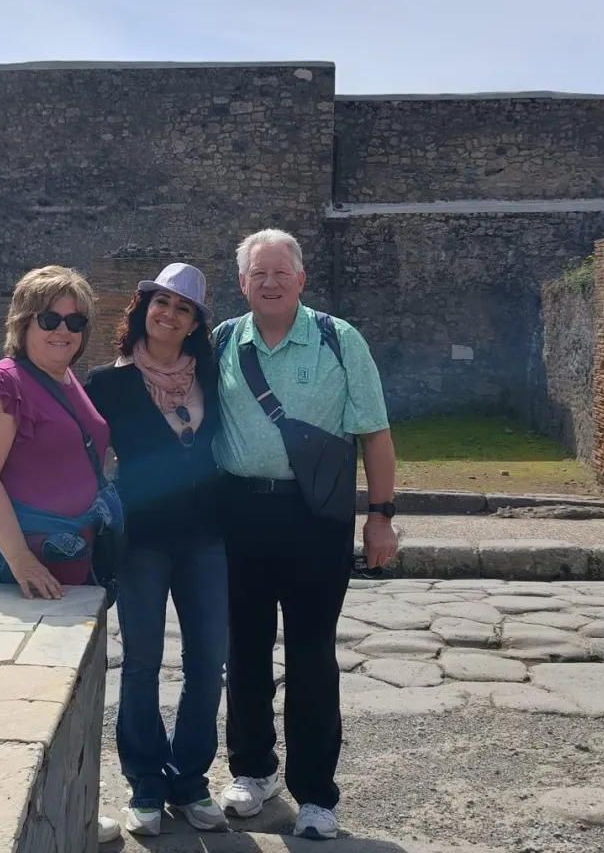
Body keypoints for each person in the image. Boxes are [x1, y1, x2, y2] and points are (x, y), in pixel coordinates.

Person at [210, 228, 399, 842]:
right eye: (256, 274)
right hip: (240, 511)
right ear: (241, 283)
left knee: (313, 654)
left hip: (316, 516)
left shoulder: (338, 340)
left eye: (279, 272)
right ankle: (252, 771)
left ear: (300, 278)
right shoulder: (221, 342)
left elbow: (373, 432)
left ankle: (316, 793)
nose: (268, 282)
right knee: (244, 649)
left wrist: (380, 515)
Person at [0, 264, 125, 846]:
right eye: (50, 318)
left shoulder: (66, 380)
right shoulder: (2, 384)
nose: (63, 330)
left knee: (51, 704)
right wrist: (20, 559)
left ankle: (62, 819)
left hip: (61, 568)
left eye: (75, 320)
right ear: (23, 322)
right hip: (7, 570)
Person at [84, 263, 230, 838]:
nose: (169, 314)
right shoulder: (108, 384)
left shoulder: (213, 377)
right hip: (142, 538)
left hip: (207, 536)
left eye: (183, 308)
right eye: (161, 302)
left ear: (195, 322)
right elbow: (86, 460)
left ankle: (190, 777)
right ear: (143, 307)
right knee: (142, 663)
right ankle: (145, 778)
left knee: (206, 663)